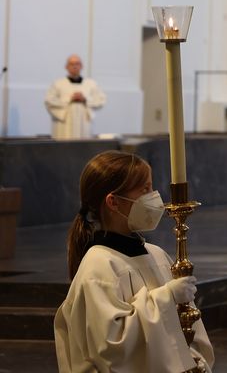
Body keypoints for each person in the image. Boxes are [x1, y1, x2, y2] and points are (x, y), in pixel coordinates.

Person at [54, 151, 215, 372]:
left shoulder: (157, 255)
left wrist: (194, 359)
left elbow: (187, 327)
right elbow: (111, 346)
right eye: (144, 189)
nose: (154, 197)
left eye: (152, 187)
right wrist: (167, 297)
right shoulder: (98, 266)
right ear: (113, 202)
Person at [45, 55, 107, 139]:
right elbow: (49, 101)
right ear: (66, 67)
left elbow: (101, 100)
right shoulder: (58, 84)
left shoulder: (91, 84)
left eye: (77, 64)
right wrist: (69, 99)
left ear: (81, 66)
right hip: (64, 124)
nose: (74, 66)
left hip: (84, 124)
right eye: (71, 64)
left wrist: (85, 100)